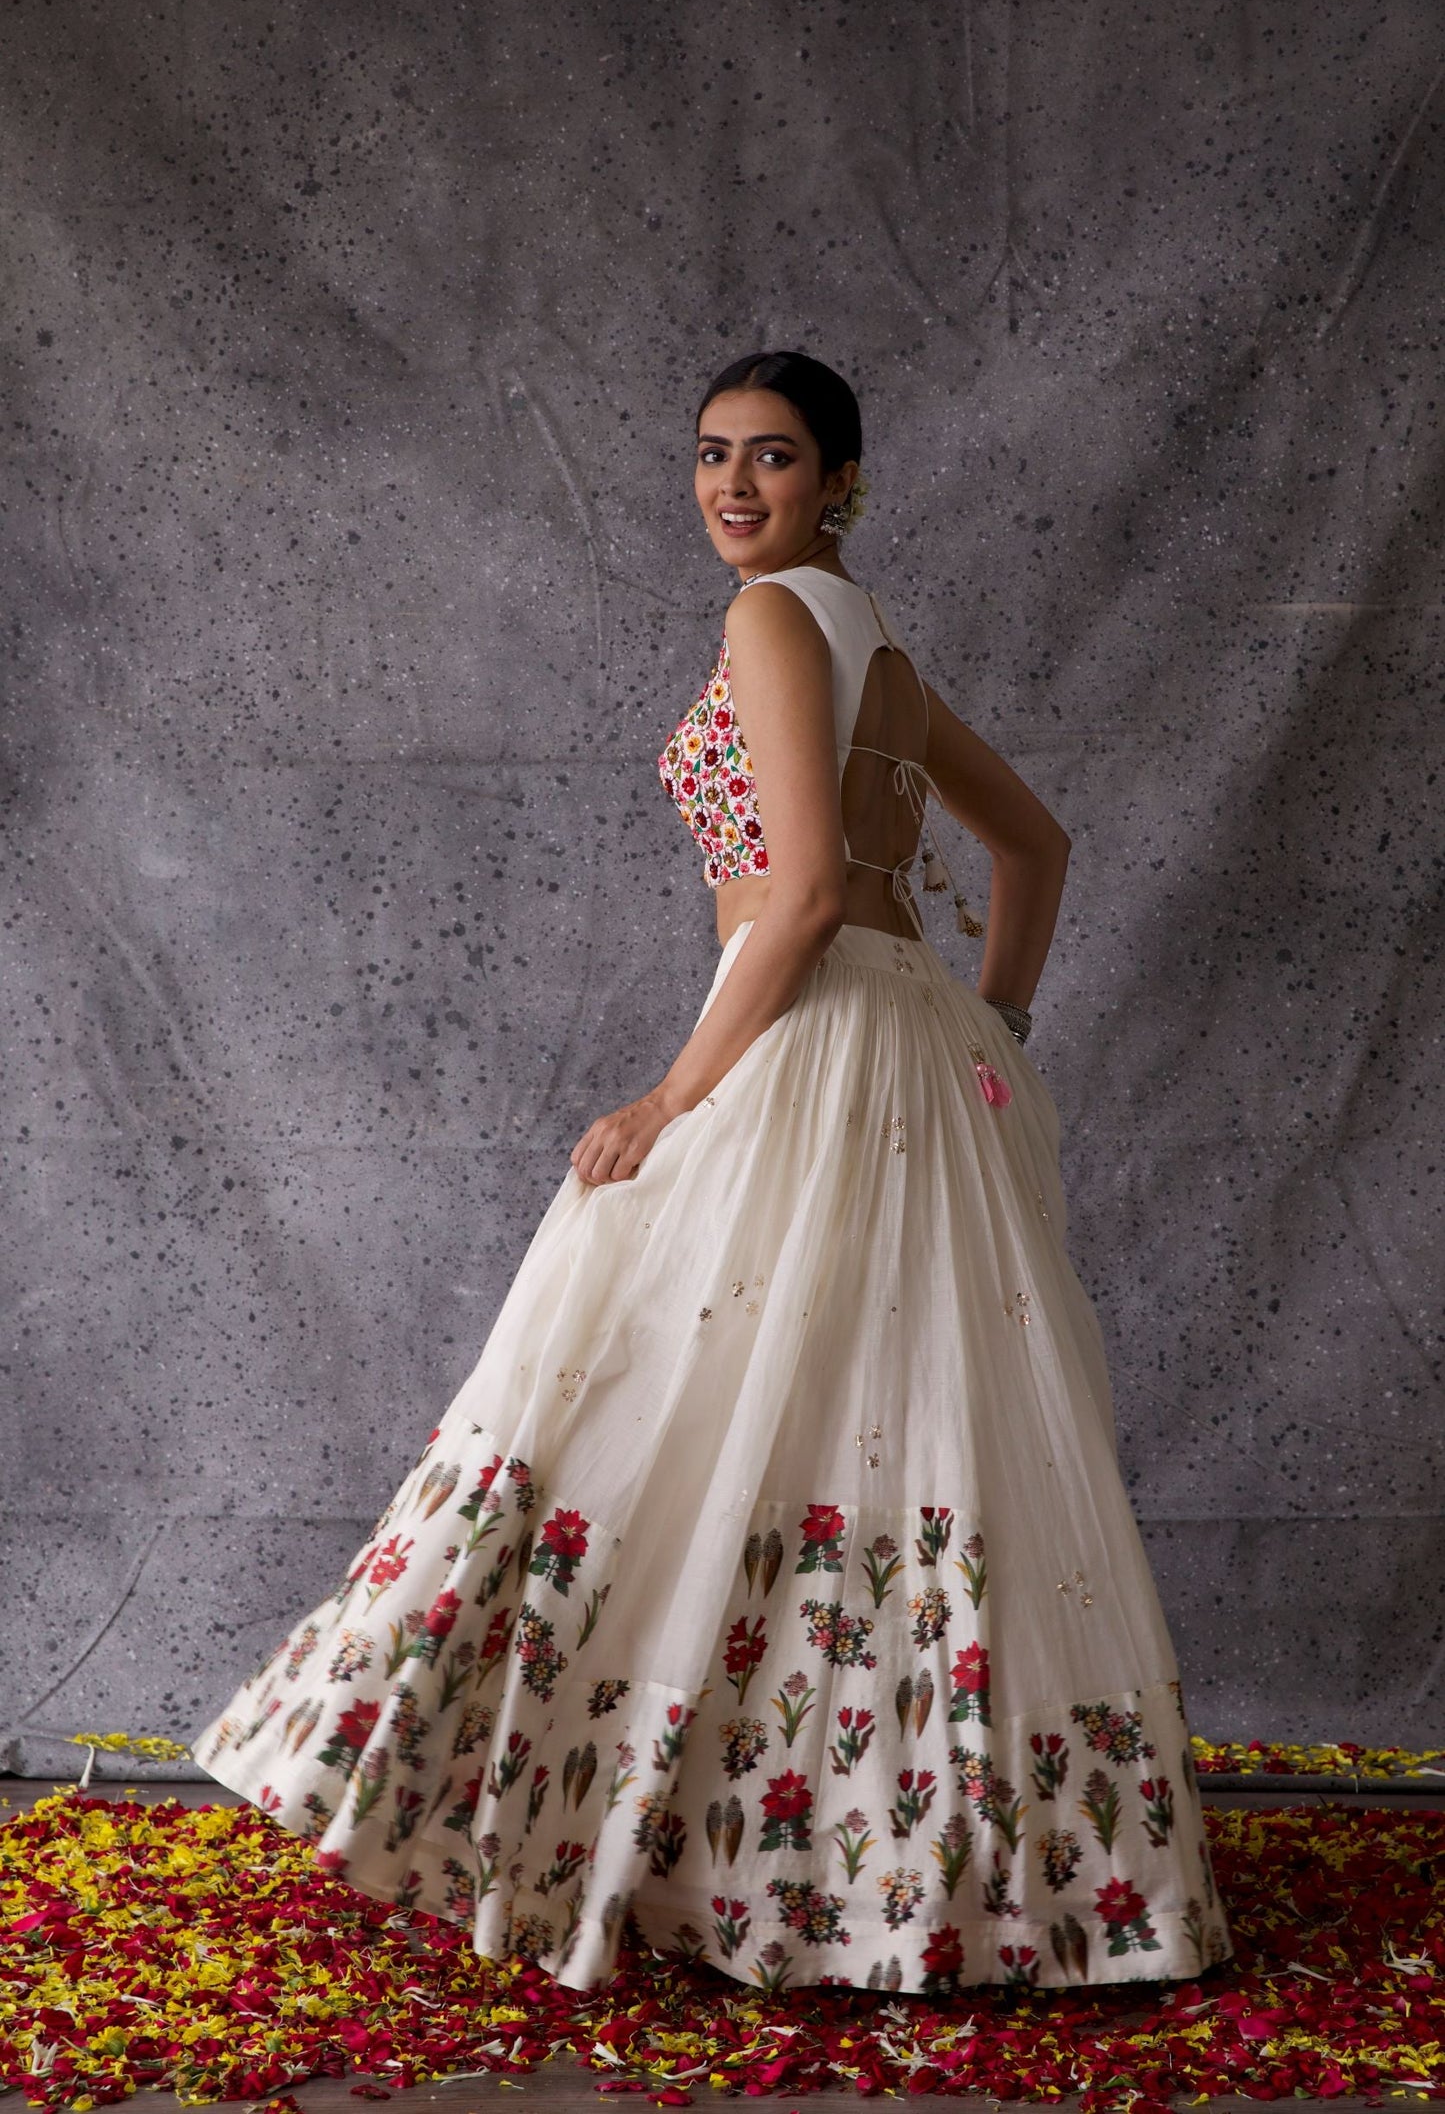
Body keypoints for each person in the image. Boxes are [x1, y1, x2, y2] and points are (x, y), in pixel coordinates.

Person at [193, 349, 1235, 1997]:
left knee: (661, 1399)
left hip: (798, 1035)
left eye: (771, 458)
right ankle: (881, 1868)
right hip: (905, 1046)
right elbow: (1032, 846)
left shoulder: (768, 621)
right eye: (708, 457)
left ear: (839, 479)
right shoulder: (866, 632)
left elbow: (806, 892)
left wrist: (672, 1097)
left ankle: (649, 1841)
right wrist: (998, 1023)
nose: (731, 487)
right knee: (865, 1419)